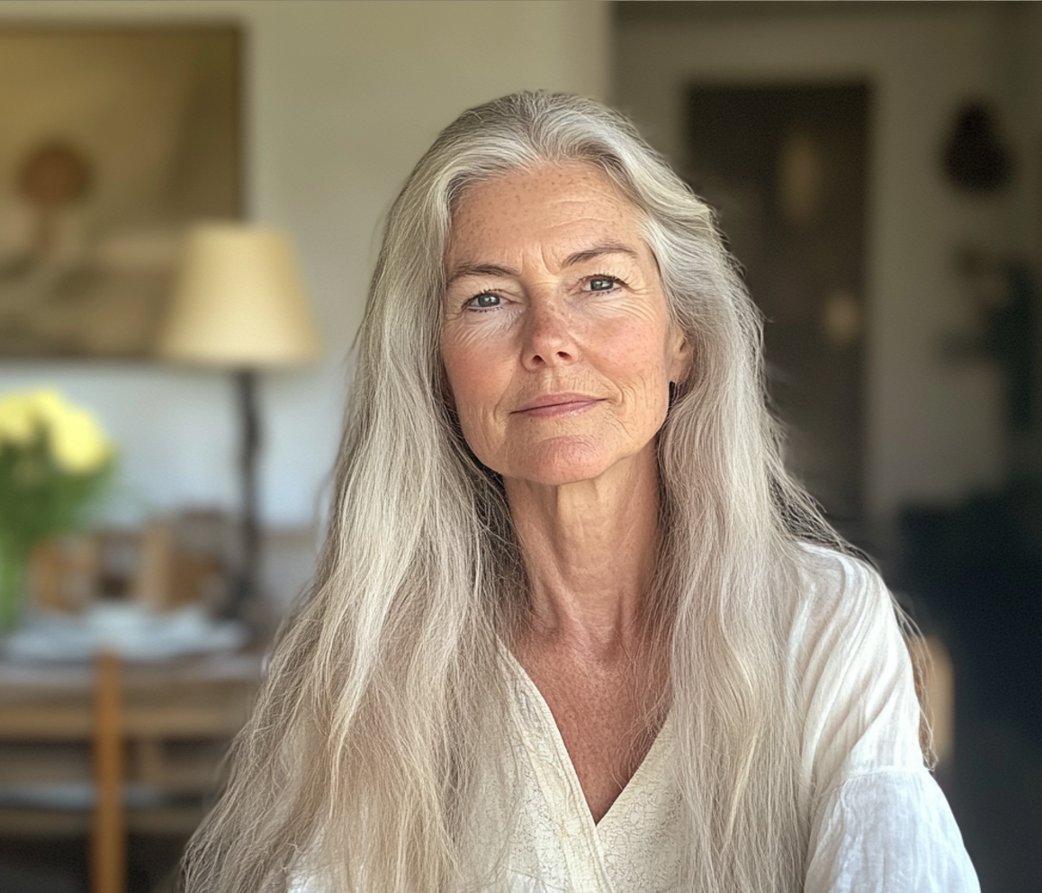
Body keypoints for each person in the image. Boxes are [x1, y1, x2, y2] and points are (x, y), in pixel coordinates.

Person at [181, 91, 979, 892]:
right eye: (487, 298)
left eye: (597, 283)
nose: (548, 340)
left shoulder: (822, 624)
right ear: (435, 367)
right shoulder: (366, 662)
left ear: (683, 338)